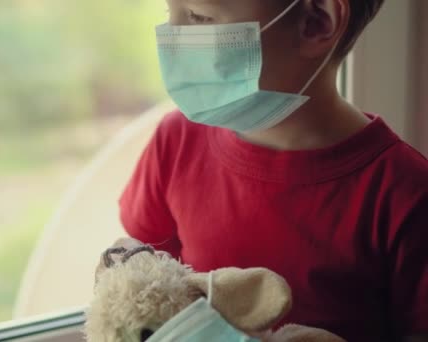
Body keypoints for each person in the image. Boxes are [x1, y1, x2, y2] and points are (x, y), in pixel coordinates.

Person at [98, 0, 428, 341]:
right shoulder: (176, 142)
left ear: (316, 22)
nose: (171, 37)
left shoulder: (407, 196)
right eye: (171, 12)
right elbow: (146, 287)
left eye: (198, 16)